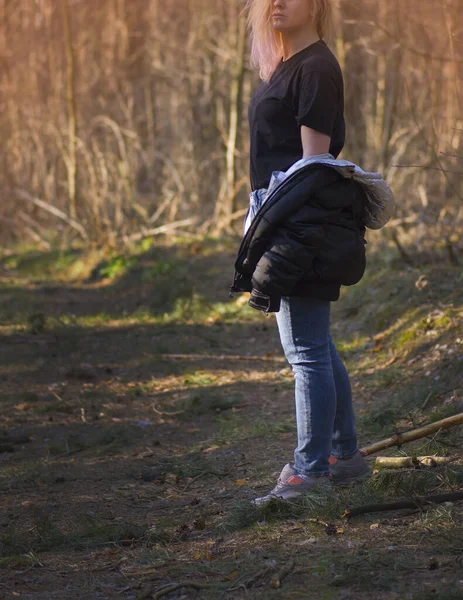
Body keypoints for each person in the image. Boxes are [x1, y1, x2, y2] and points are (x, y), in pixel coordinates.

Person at [241, 0, 373, 506]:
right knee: (316, 345)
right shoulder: (289, 65)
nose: (276, 2)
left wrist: (279, 232)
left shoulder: (315, 67)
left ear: (316, 4)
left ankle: (310, 471)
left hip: (301, 225)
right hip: (286, 219)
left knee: (306, 351)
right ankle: (344, 457)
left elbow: (313, 167)